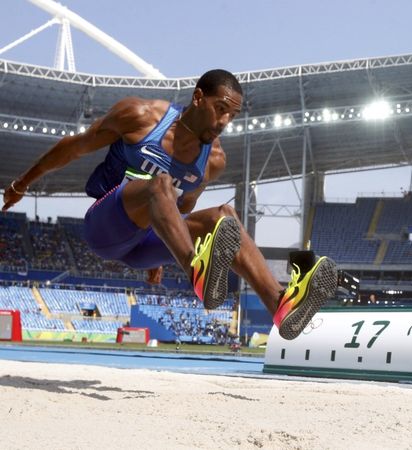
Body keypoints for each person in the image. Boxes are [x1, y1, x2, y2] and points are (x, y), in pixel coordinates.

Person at [2, 69, 337, 340]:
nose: (223, 122)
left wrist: (167, 236)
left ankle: (280, 304)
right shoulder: (139, 116)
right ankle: (197, 269)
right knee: (160, 184)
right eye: (220, 109)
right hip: (105, 226)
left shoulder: (213, 160)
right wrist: (21, 184)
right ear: (197, 98)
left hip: (144, 247)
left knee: (226, 217)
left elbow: (185, 209)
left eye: (232, 115)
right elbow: (73, 147)